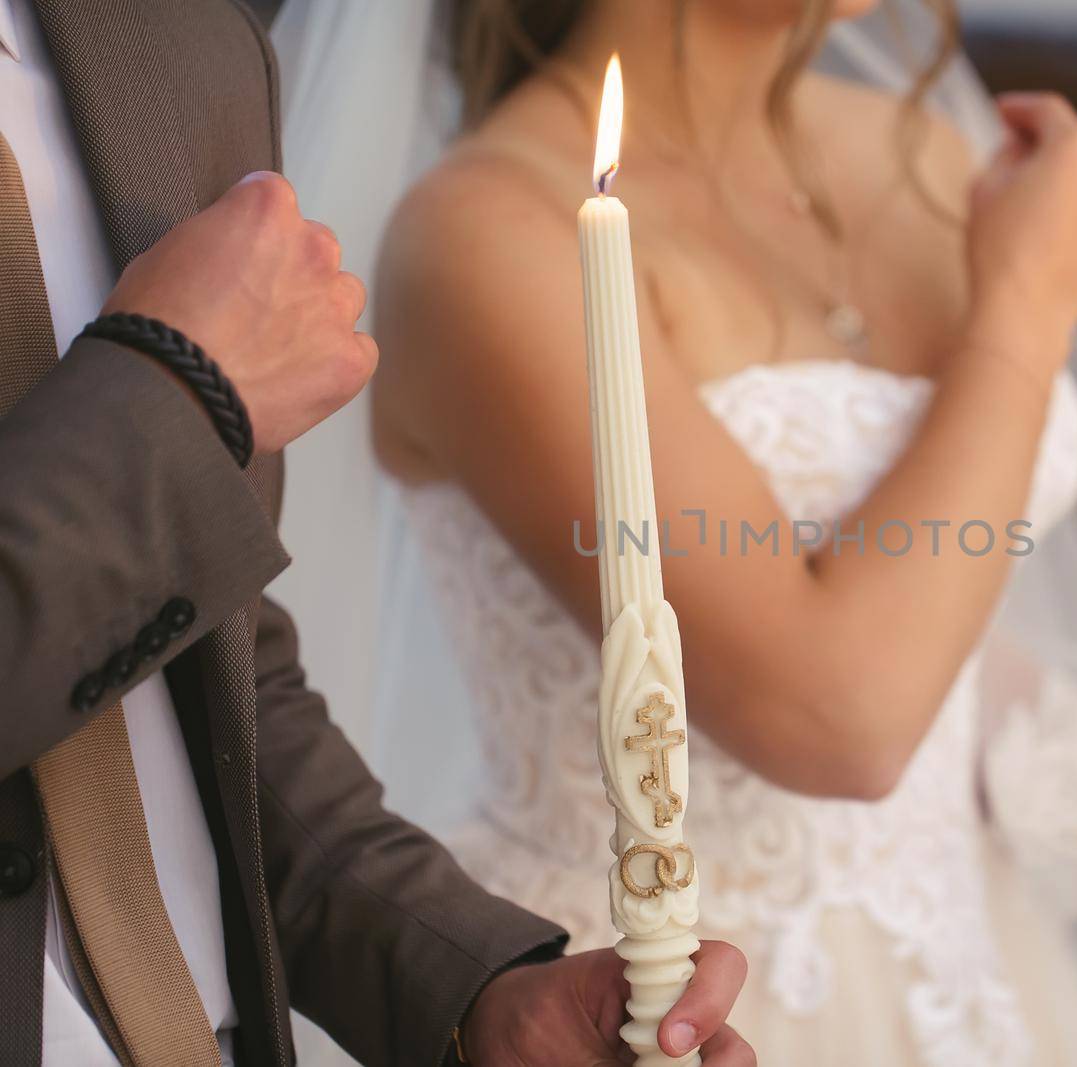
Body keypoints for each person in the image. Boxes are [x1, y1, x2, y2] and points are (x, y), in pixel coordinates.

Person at [328, 0, 1077, 1063]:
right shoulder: (489, 232)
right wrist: (1023, 308)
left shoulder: (923, 157)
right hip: (665, 1002)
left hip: (959, 983)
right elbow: (837, 717)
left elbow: (939, 622)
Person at [0, 1, 750, 1064]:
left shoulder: (171, 36)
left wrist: (475, 988)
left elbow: (214, 672)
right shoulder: (480, 225)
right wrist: (174, 392)